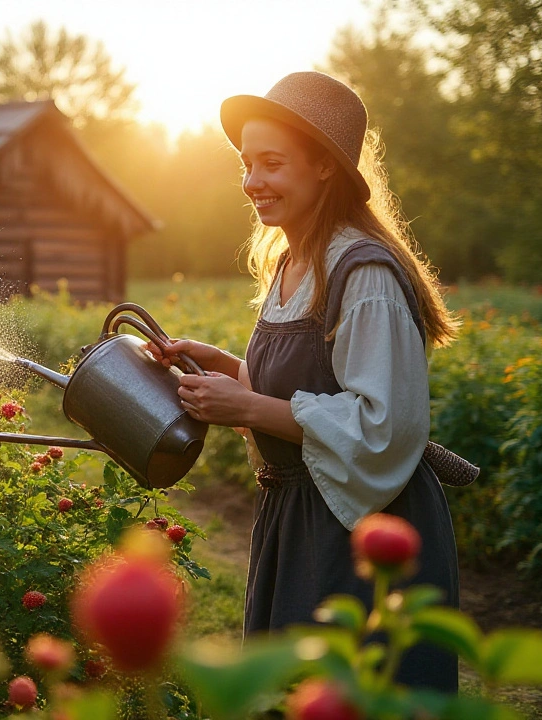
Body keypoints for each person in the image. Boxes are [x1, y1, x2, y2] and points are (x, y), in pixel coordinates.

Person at [148, 71, 460, 692]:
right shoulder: (293, 263)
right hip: (299, 514)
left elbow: (383, 424)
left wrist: (249, 406)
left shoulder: (363, 273)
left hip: (361, 526)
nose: (252, 182)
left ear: (323, 167)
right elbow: (303, 388)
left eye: (272, 163)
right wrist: (227, 368)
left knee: (352, 693)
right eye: (246, 163)